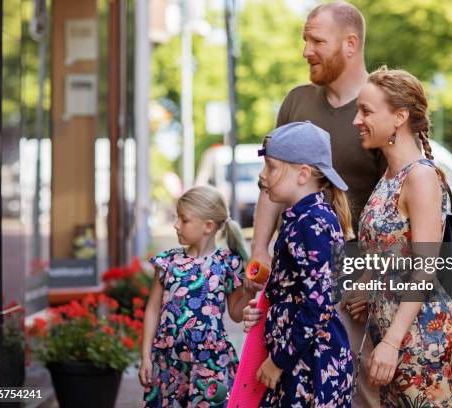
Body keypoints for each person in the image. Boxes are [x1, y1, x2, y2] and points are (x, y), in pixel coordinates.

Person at [250, 2, 385, 406]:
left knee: (356, 391)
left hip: (354, 281)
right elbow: (272, 184)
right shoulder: (297, 101)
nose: (306, 49)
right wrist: (259, 249)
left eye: (316, 40)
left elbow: (397, 207)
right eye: (305, 39)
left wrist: (370, 280)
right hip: (299, 273)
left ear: (350, 44)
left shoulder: (377, 103)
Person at [353, 66, 452, 407]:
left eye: (366, 111)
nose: (356, 120)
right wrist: (368, 287)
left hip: (419, 337)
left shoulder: (421, 177)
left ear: (399, 116)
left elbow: (425, 269)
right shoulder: (389, 176)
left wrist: (392, 342)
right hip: (392, 331)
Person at [245, 121, 354, 407]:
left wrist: (278, 361)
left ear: (303, 174)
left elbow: (319, 304)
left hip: (309, 368)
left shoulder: (312, 223)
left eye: (271, 167)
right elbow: (293, 292)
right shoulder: (301, 219)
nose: (262, 175)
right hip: (299, 362)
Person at [138, 186, 259, 407]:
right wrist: (146, 356)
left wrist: (250, 290)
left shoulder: (227, 264)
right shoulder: (167, 263)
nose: (176, 225)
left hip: (210, 364)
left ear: (208, 226)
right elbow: (153, 309)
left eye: (184, 220)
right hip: (169, 361)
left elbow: (235, 313)